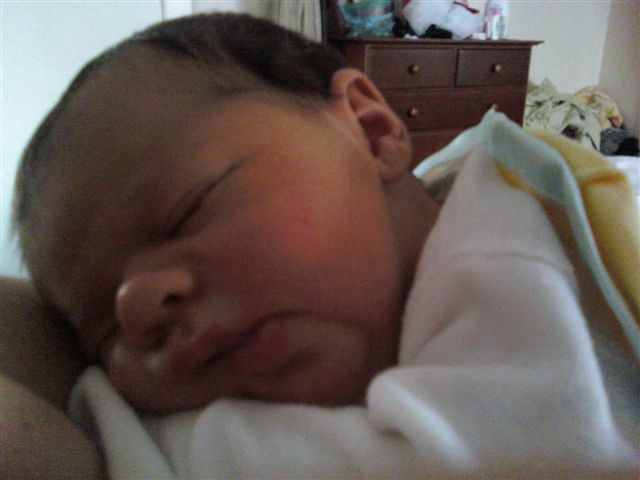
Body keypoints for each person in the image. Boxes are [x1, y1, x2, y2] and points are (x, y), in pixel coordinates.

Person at [9, 12, 639, 479]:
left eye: (190, 209)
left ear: (368, 130)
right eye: (106, 330)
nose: (140, 305)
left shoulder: (499, 248)